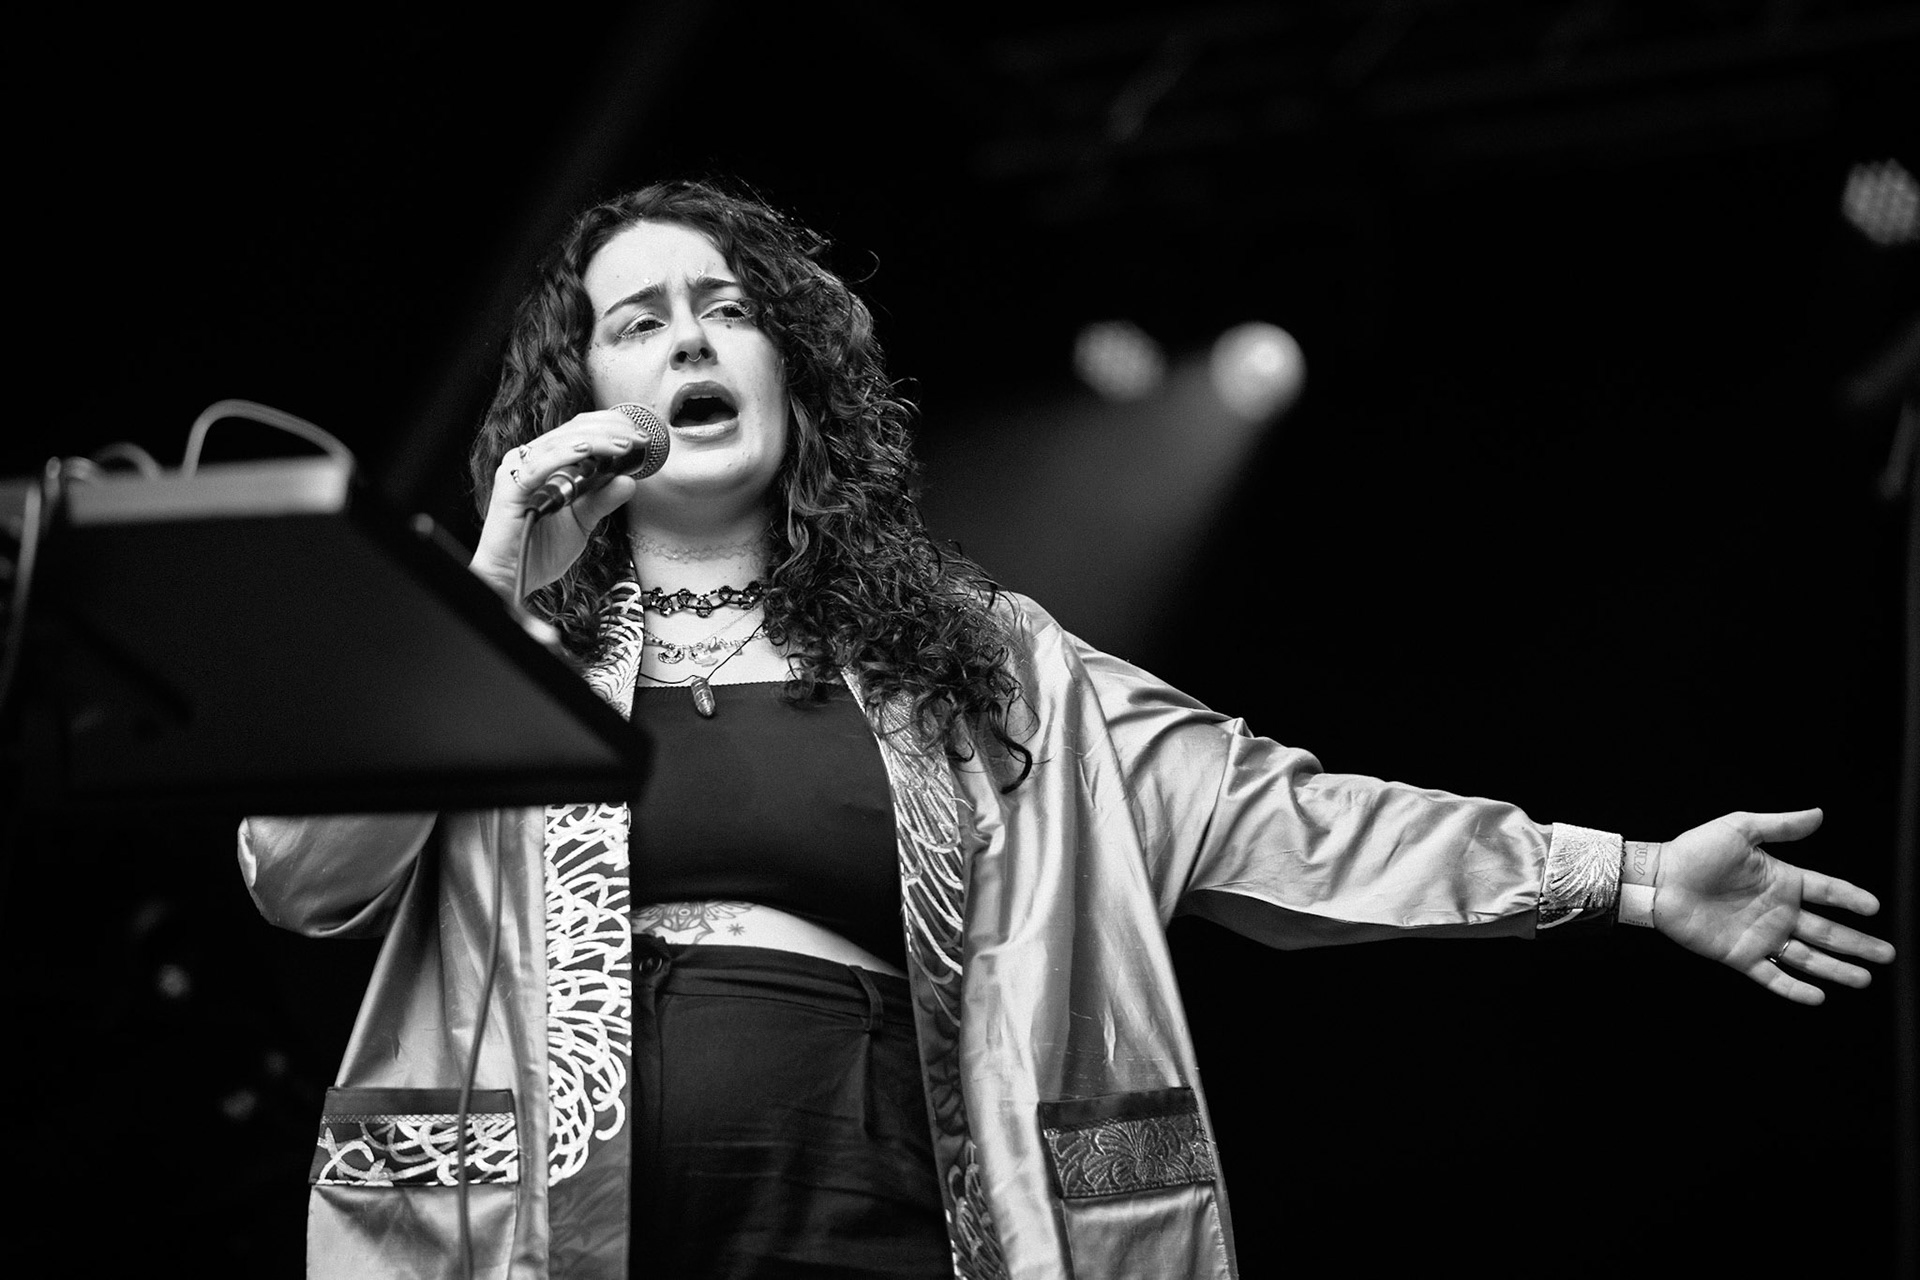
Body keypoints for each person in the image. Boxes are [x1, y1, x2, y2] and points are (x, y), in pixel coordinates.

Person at [239, 179, 1896, 1280]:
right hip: (541, 1230)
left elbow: (1285, 820)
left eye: (724, 307)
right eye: (636, 315)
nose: (684, 335)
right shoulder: (491, 634)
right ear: (577, 393)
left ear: (791, 372)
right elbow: (300, 876)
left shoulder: (985, 664)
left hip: (871, 1199)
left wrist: (1627, 878)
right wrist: (489, 593)